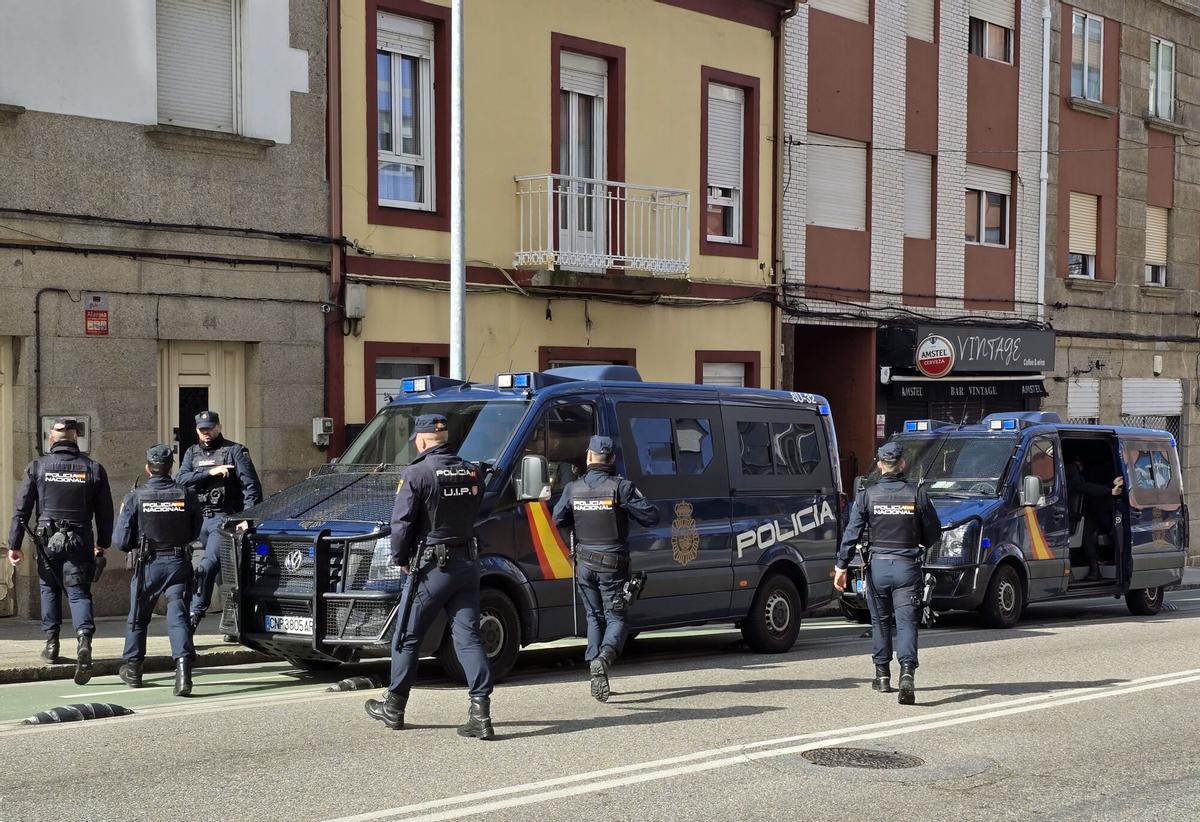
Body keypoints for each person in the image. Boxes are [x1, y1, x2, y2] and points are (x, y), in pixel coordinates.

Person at [364, 414, 495, 739]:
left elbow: (402, 524)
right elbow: (476, 509)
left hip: (432, 567)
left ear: (422, 440)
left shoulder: (417, 472)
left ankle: (394, 707)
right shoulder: (472, 470)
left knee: (408, 637)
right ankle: (480, 711)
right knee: (468, 638)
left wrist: (400, 558)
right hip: (467, 563)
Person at [552, 435, 659, 702]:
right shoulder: (621, 488)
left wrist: (572, 546)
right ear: (611, 459)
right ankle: (604, 657)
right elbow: (651, 516)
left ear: (589, 457)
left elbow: (558, 518)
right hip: (612, 564)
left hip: (584, 563)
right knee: (617, 618)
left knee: (594, 616)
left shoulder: (573, 488)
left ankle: (594, 667)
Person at [6, 418, 113, 685]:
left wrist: (14, 545)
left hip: (47, 542)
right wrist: (103, 543)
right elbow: (105, 512)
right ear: (75, 437)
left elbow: (22, 511)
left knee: (49, 589)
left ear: (51, 438)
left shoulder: (38, 467)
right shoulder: (93, 468)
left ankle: (52, 644)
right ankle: (84, 641)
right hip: (79, 540)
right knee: (78, 593)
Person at [834, 441, 941, 706]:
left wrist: (841, 567)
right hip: (907, 568)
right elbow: (933, 535)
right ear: (902, 463)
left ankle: (882, 677)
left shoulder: (867, 495)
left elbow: (851, 534)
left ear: (880, 464)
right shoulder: (917, 494)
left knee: (880, 622)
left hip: (878, 567)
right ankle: (907, 674)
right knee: (906, 623)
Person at [113, 445, 203, 696]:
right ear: (171, 466)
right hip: (177, 563)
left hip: (148, 565)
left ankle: (133, 670)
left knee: (138, 618)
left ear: (147, 468)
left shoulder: (135, 497)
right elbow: (195, 530)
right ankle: (183, 674)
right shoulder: (186, 494)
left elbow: (121, 541)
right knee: (178, 618)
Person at [176, 411, 262, 632]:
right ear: (197, 430)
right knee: (214, 574)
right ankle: (232, 622)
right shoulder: (191, 453)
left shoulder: (234, 451)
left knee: (208, 567)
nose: (207, 434)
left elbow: (251, 488)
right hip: (196, 520)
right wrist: (211, 472)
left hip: (222, 519)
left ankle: (194, 615)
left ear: (219, 427)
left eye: (210, 429)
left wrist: (248, 518)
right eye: (202, 430)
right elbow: (181, 480)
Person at [1066, 457, 1123, 581]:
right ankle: (1095, 568)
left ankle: (1096, 568)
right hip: (1071, 516)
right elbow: (1083, 487)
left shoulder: (1074, 472)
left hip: (1081, 515)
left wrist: (1111, 485)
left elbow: (1090, 488)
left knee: (1089, 533)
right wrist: (1109, 490)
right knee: (1087, 534)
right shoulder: (1071, 470)